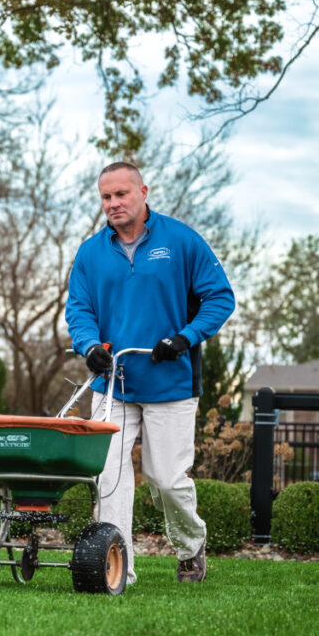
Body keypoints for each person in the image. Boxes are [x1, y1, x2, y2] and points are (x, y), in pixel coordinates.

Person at [65, 161, 235, 583]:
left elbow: (220, 298)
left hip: (171, 383)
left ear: (143, 191)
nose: (113, 204)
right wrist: (89, 347)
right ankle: (116, 567)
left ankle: (191, 546)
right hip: (114, 385)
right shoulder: (91, 253)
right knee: (110, 475)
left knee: (166, 480)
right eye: (106, 197)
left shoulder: (181, 241)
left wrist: (184, 338)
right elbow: (79, 309)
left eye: (121, 194)